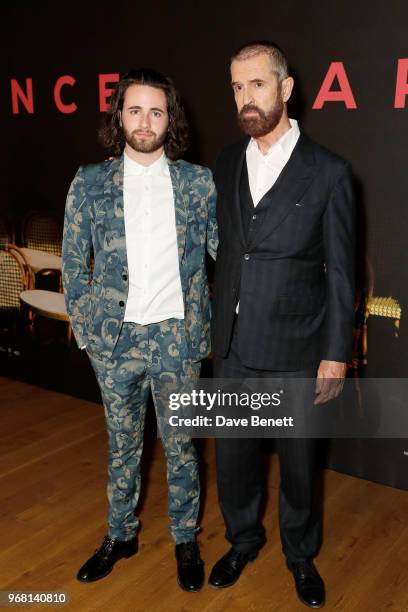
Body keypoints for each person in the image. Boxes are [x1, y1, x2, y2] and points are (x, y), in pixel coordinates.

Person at [208, 42, 355, 609]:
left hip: (298, 348)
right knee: (236, 459)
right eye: (237, 88)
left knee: (298, 466)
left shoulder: (331, 173)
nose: (246, 99)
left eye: (258, 85)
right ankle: (243, 540)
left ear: (286, 88)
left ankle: (299, 553)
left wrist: (334, 353)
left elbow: (342, 275)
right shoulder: (224, 162)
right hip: (234, 349)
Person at [62, 68, 217, 592]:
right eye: (135, 110)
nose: (146, 121)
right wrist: (88, 335)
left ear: (169, 118)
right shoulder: (89, 181)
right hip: (117, 341)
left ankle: (184, 538)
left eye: (157, 111)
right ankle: (120, 534)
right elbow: (71, 264)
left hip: (178, 337)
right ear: (119, 116)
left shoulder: (198, 182)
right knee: (122, 445)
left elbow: (228, 252)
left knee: (181, 447)